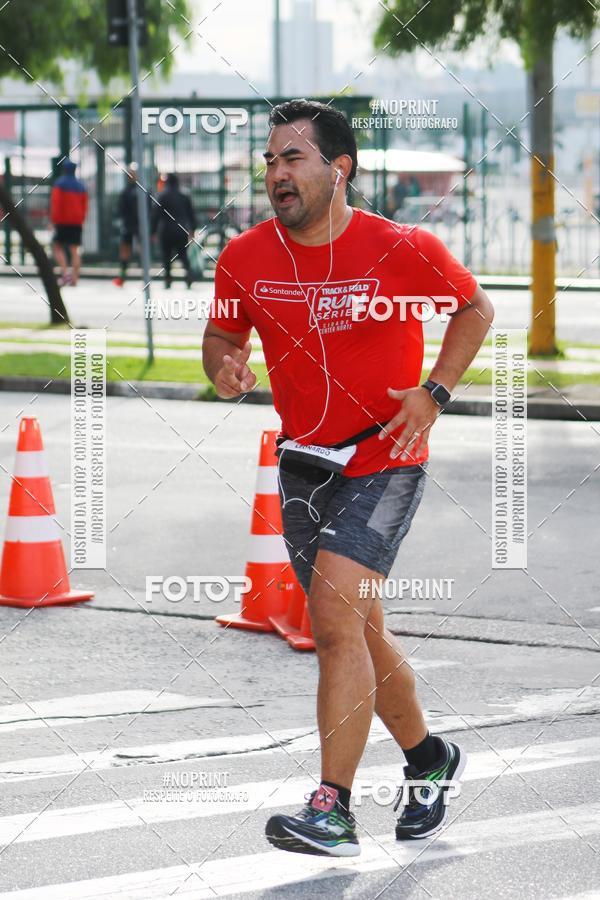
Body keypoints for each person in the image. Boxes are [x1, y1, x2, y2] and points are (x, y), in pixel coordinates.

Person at [202, 99, 494, 858]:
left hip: (386, 458)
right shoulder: (245, 256)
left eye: (292, 159)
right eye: (269, 160)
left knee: (334, 623)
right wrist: (223, 368)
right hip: (304, 463)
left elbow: (475, 307)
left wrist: (434, 394)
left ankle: (332, 808)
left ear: (340, 170)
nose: (276, 174)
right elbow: (222, 332)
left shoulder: (399, 247)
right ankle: (430, 759)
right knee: (358, 629)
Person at [151, 173, 196, 289]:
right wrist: (192, 230)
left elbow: (156, 215)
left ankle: (168, 279)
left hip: (166, 230)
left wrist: (153, 231)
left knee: (166, 256)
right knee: (183, 255)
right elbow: (191, 214)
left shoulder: (162, 196)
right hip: (181, 230)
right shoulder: (184, 196)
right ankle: (188, 275)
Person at [50, 159, 88, 287]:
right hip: (76, 222)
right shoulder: (81, 186)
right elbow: (84, 206)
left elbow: (56, 204)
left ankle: (65, 273)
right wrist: (82, 219)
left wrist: (54, 220)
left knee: (57, 247)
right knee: (75, 250)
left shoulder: (59, 184)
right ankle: (75, 279)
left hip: (62, 221)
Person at [113, 163, 144, 287]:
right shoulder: (135, 190)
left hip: (134, 225)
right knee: (126, 250)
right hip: (133, 225)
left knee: (138, 250)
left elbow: (121, 209)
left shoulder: (132, 191)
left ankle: (141, 275)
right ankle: (123, 276)